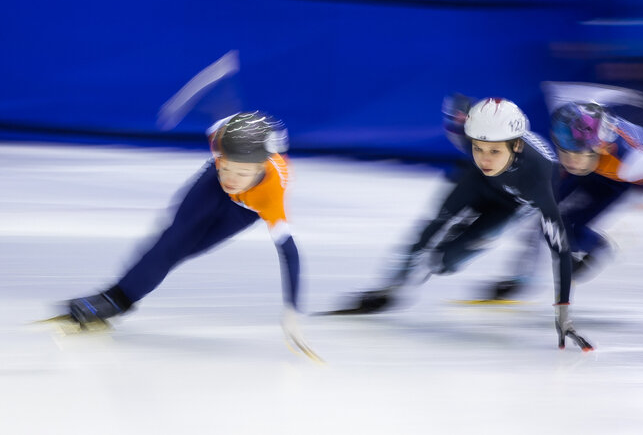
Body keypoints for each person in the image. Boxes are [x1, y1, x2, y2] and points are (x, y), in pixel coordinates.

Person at [327, 97, 593, 352]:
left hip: (511, 203)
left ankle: (464, 241)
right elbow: (427, 231)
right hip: (477, 183)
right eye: (478, 148)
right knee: (430, 231)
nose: (486, 159)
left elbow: (557, 248)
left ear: (517, 147)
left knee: (444, 264)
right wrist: (391, 288)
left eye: (494, 151)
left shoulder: (539, 176)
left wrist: (562, 314)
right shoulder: (480, 147)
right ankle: (394, 285)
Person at [52, 111, 318, 358]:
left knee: (186, 249)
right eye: (225, 166)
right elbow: (213, 121)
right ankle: (115, 299)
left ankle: (118, 298)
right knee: (172, 240)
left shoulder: (271, 194)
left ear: (261, 168)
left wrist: (292, 310)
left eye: (242, 172)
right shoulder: (221, 136)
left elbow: (290, 253)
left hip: (245, 208)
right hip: (209, 187)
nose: (232, 179)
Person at [487, 82, 643, 300]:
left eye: (576, 154)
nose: (569, 162)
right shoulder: (568, 116)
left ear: (598, 148)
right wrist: (623, 95)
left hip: (621, 179)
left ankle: (598, 247)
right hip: (598, 160)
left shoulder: (632, 166)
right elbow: (567, 92)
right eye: (564, 151)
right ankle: (521, 279)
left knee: (571, 227)